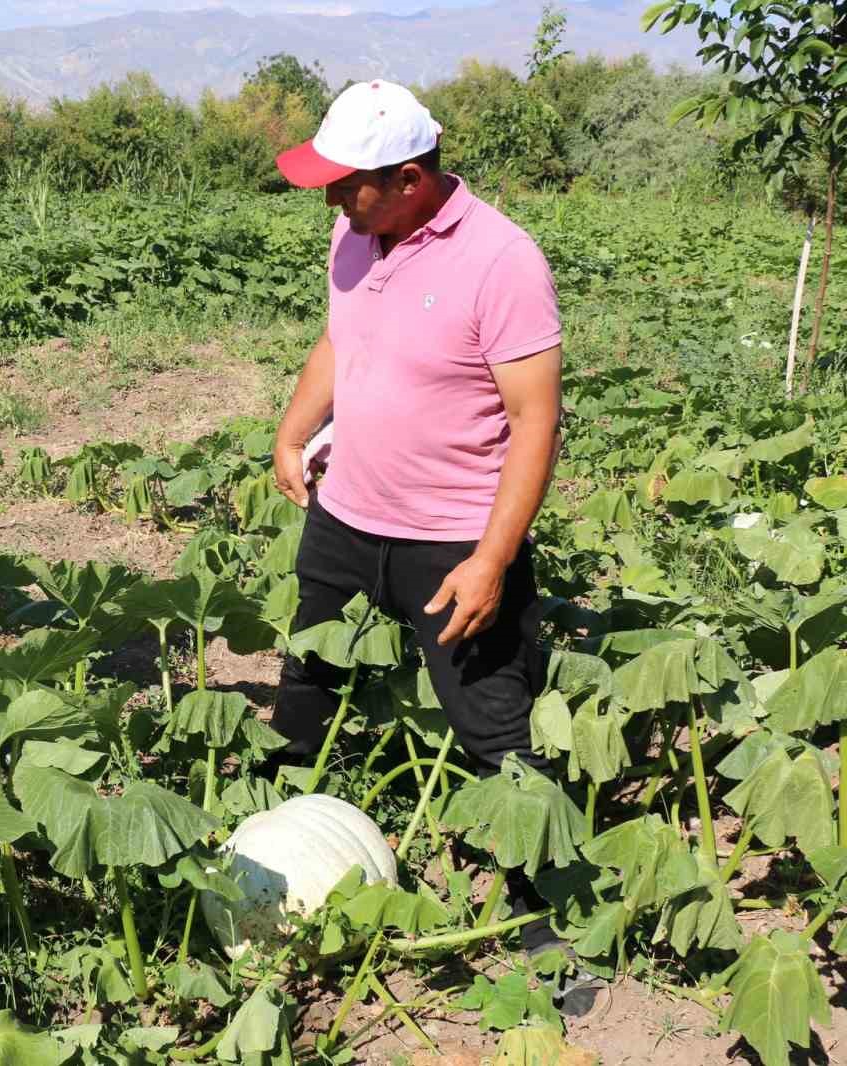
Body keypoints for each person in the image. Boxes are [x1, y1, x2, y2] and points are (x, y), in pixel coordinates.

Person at [265, 79, 594, 1009]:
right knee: (308, 680)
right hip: (345, 515)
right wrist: (295, 431)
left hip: (450, 538)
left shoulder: (502, 261)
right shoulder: (356, 232)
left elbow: (536, 421)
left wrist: (490, 559)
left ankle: (545, 917)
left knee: (495, 727)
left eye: (346, 184)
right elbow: (339, 338)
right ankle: (278, 835)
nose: (331, 199)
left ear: (409, 178)